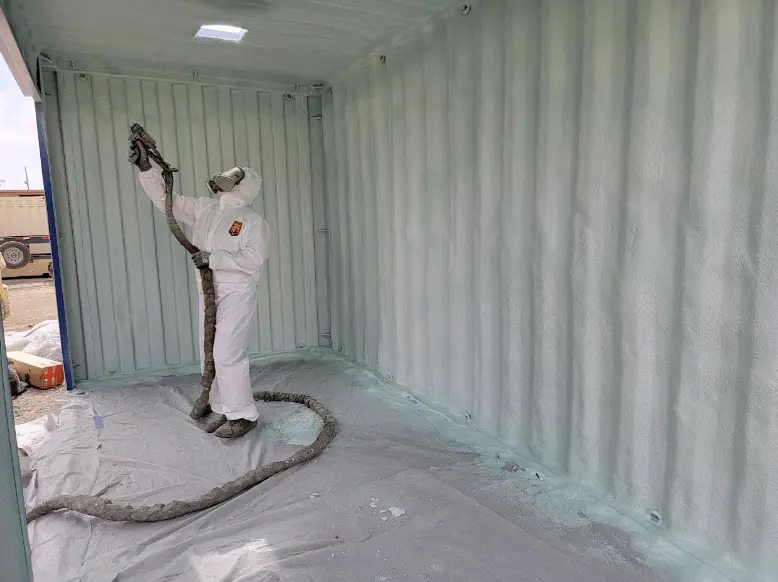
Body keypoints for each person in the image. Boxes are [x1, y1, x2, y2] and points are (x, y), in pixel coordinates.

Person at [128, 139, 271, 439]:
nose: (223, 180)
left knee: (228, 354)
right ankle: (223, 406)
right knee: (210, 353)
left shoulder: (250, 220)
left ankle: (244, 414)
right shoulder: (205, 209)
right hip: (208, 293)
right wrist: (146, 169)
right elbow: (167, 201)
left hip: (236, 294)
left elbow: (254, 259)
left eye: (233, 178)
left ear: (244, 186)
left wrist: (214, 258)